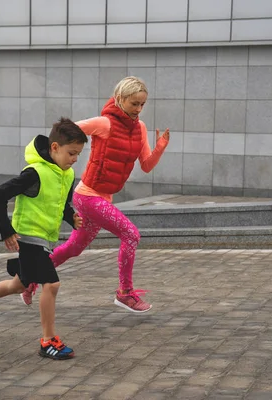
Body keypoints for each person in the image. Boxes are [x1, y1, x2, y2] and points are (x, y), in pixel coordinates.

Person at [20, 76, 170, 313]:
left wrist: (160, 148)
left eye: (142, 104)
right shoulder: (104, 123)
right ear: (120, 99)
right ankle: (125, 293)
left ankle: (28, 279)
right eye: (134, 104)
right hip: (88, 196)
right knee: (131, 234)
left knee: (74, 248)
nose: (138, 109)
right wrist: (50, 159)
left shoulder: (140, 128)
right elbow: (67, 132)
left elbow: (146, 165)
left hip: (103, 197)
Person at [0, 118, 88, 360]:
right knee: (52, 284)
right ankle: (48, 341)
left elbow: (61, 205)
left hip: (45, 239)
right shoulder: (34, 173)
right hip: (29, 237)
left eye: (78, 154)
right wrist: (6, 230)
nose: (74, 159)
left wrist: (71, 218)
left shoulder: (66, 175)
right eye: (71, 153)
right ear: (55, 147)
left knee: (18, 285)